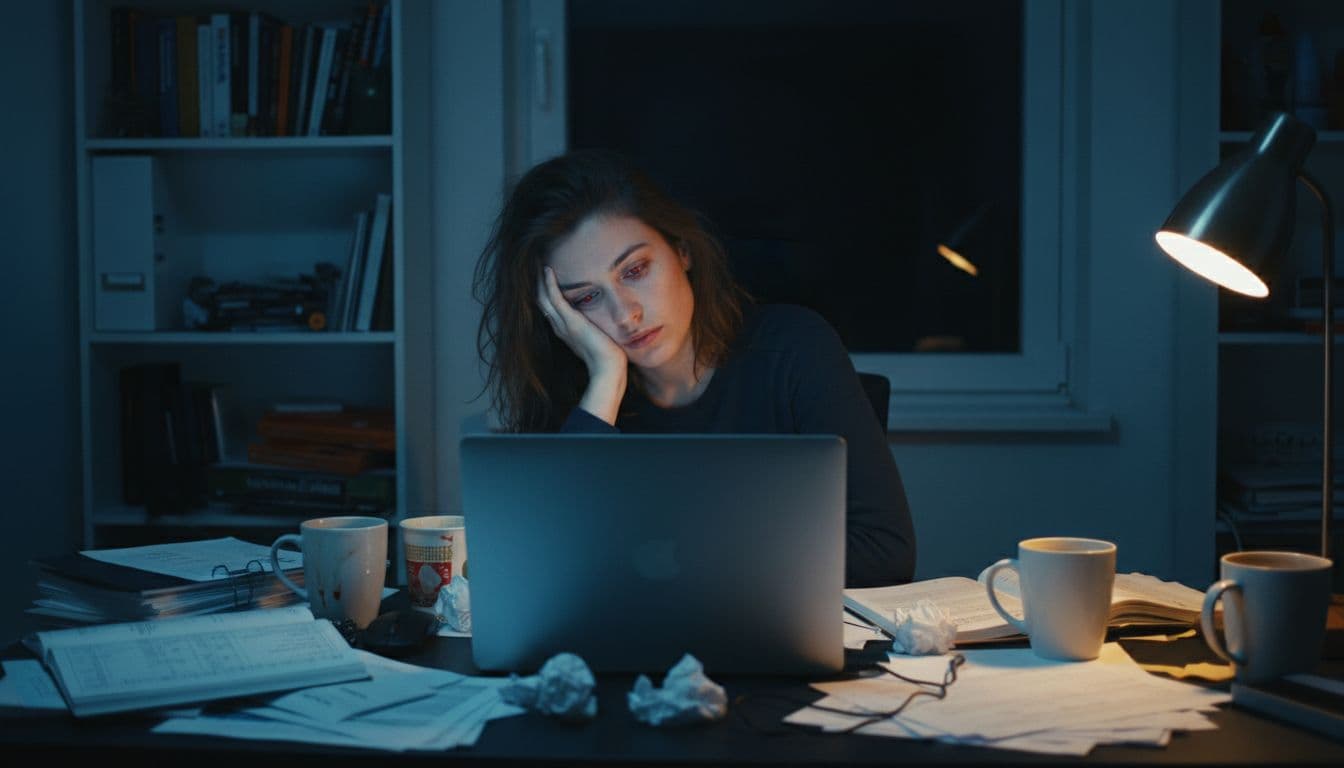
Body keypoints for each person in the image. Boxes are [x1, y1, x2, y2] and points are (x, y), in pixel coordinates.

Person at [472, 149, 915, 587]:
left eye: (635, 270)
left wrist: (683, 557)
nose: (625, 315)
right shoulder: (577, 403)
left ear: (681, 250)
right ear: (559, 316)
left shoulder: (792, 348)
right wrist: (605, 381)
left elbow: (884, 551)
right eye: (587, 298)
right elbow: (540, 571)